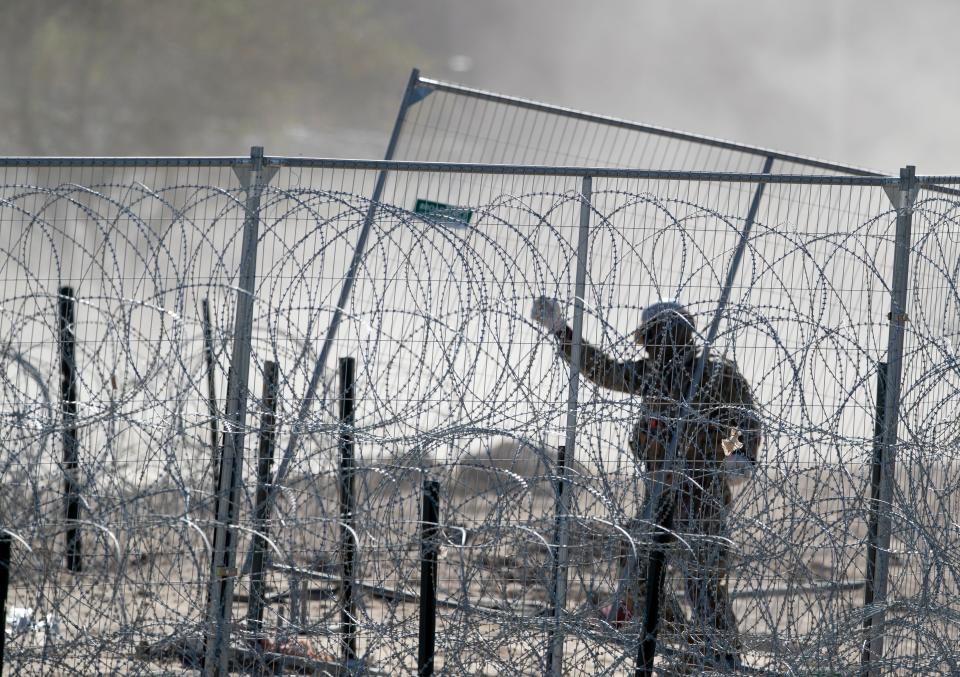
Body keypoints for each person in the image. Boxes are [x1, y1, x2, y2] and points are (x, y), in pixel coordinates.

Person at [530, 296, 761, 668]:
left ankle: (722, 656)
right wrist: (561, 332)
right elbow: (604, 371)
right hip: (661, 495)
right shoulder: (652, 374)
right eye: (649, 340)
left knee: (703, 585)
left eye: (656, 337)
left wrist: (738, 453)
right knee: (633, 562)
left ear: (678, 334)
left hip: (702, 494)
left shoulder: (716, 374)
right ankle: (682, 640)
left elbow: (744, 420)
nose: (651, 347)